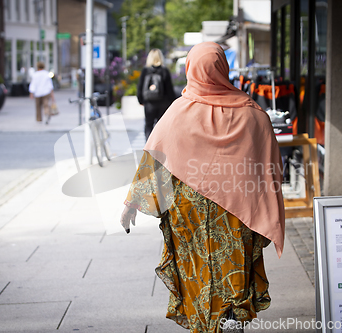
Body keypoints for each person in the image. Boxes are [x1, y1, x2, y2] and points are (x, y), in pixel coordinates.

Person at [121, 42, 285, 333]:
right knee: (233, 271)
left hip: (188, 216)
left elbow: (153, 159)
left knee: (198, 273)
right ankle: (232, 319)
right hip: (237, 215)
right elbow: (270, 170)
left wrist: (131, 205)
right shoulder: (254, 115)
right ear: (224, 67)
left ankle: (204, 325)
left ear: (190, 69)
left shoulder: (177, 113)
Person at [137, 49, 176, 140]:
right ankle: (159, 146)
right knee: (161, 126)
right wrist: (172, 102)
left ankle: (149, 147)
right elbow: (169, 88)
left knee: (148, 125)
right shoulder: (164, 70)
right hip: (163, 103)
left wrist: (141, 100)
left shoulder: (145, 70)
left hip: (149, 103)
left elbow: (140, 86)